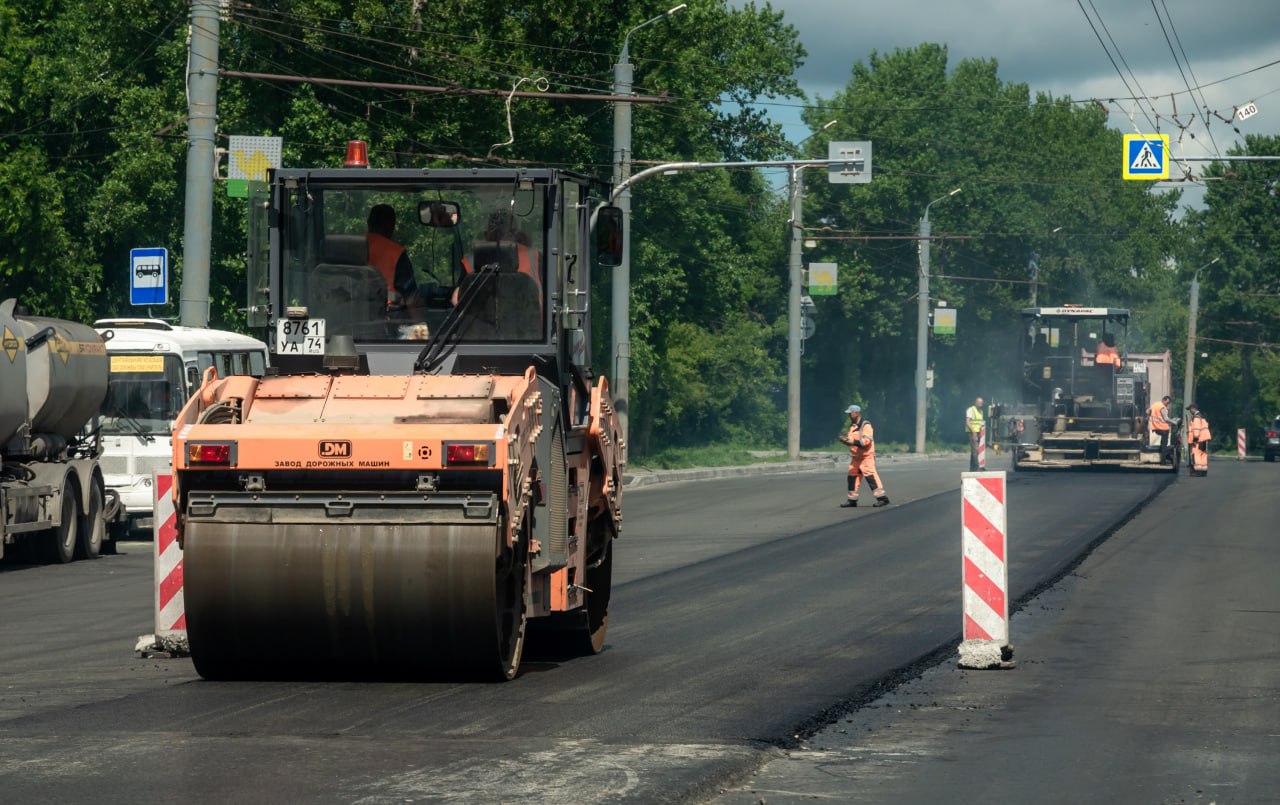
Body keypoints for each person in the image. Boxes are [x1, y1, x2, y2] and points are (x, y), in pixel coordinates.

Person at [364, 204, 419, 307]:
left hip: (347, 312)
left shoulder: (349, 246)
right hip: (385, 315)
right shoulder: (396, 252)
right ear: (391, 226)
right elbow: (411, 299)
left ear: (368, 223)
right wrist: (419, 321)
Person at [839, 404, 889, 508]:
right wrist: (845, 441)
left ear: (856, 413)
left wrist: (851, 441)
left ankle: (882, 498)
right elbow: (852, 442)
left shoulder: (866, 426)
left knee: (871, 477)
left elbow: (866, 442)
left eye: (850, 413)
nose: (849, 415)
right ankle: (852, 500)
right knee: (852, 477)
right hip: (856, 457)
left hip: (866, 457)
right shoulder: (853, 427)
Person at [1186, 403, 1212, 476]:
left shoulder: (1196, 418)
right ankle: (1203, 471)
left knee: (1196, 454)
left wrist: (1195, 440)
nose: (1190, 411)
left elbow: (1197, 429)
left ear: (1193, 408)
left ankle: (1197, 471)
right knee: (1203, 454)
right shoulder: (1202, 416)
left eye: (1190, 409)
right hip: (1204, 439)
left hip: (1198, 439)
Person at [965, 396, 985, 471]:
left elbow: (980, 423)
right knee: (975, 450)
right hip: (972, 432)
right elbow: (967, 422)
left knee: (974, 451)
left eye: (981, 403)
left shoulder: (981, 411)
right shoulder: (971, 410)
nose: (980, 404)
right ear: (975, 402)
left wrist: (980, 432)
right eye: (979, 402)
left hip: (978, 432)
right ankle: (976, 468)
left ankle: (972, 468)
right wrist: (973, 432)